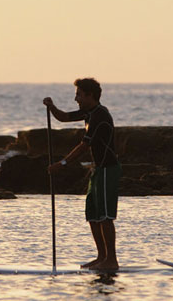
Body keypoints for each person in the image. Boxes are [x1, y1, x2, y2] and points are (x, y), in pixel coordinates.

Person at [44, 77, 121, 271]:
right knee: (93, 215)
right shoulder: (89, 112)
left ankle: (111, 260)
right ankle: (101, 257)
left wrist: (61, 163)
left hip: (108, 170)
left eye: (79, 94)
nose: (76, 98)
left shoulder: (99, 115)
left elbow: (84, 146)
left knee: (104, 216)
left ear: (90, 95)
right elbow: (64, 117)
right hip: (98, 170)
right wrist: (51, 106)